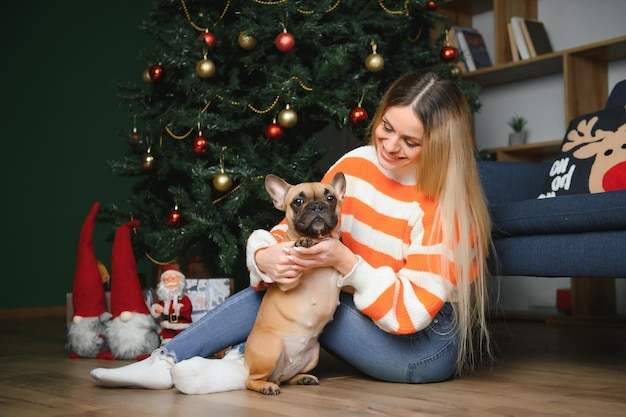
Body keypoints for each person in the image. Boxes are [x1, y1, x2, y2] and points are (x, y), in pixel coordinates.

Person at [90, 71, 493, 389]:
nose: (389, 146)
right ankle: (181, 363)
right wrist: (265, 256)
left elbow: (410, 314)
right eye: (386, 127)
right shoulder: (356, 164)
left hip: (421, 348)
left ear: (439, 145)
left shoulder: (446, 204)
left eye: (411, 141)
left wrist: (347, 264)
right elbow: (290, 227)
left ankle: (204, 362)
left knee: (302, 294)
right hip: (367, 314)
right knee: (287, 284)